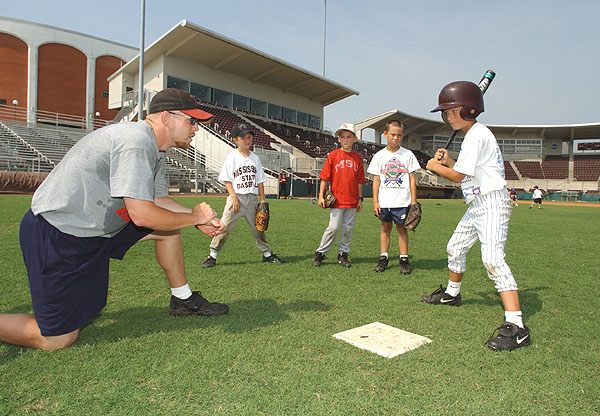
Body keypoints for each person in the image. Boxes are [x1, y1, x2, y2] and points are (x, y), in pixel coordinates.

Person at [0, 88, 229, 351]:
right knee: (56, 338)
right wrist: (191, 217)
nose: (196, 128)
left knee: (168, 228)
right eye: (192, 121)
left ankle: (182, 298)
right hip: (59, 233)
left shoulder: (157, 148)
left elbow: (158, 201)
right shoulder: (135, 141)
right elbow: (142, 215)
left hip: (96, 229)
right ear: (166, 117)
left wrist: (193, 219)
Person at [423, 81, 531, 351]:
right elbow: (466, 169)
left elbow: (458, 177)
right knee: (455, 247)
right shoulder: (473, 134)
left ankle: (517, 326)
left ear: (469, 110)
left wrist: (436, 166)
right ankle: (452, 294)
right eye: (445, 112)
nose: (447, 116)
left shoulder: (477, 134)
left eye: (451, 110)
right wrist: (448, 161)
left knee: (493, 260)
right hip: (477, 204)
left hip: (492, 202)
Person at [202, 123, 284, 268]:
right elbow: (227, 180)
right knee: (224, 227)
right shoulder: (232, 157)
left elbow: (260, 181)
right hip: (236, 199)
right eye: (243, 138)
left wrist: (263, 200)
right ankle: (212, 255)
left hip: (252, 199)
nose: (247, 140)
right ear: (235, 140)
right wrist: (233, 197)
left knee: (259, 228)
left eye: (249, 137)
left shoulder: (255, 158)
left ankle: (267, 254)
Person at [367, 119, 420, 274]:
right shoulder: (379, 156)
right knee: (385, 228)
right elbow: (376, 179)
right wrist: (375, 201)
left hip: (402, 200)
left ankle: (404, 259)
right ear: (385, 134)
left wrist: (414, 202)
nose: (395, 138)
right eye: (392, 134)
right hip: (384, 201)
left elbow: (411, 178)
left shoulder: (407, 155)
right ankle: (383, 257)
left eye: (399, 135)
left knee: (402, 229)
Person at [312, 123, 365, 268]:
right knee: (333, 228)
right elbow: (325, 177)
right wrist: (321, 196)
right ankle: (320, 252)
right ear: (339, 139)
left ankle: (343, 254)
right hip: (337, 200)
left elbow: (360, 180)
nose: (346, 140)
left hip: (352, 200)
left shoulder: (357, 158)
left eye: (349, 137)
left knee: (348, 228)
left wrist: (360, 199)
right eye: (343, 137)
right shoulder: (334, 155)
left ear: (355, 139)